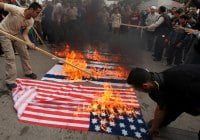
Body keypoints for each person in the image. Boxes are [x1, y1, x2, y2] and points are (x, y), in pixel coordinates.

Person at [127, 65, 200, 136]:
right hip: (180, 95)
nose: (137, 90)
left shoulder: (178, 84)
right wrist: (154, 127)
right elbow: (161, 107)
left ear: (145, 86)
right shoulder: (154, 82)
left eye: (137, 89)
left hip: (194, 91)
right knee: (158, 120)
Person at [0, 2, 42, 90]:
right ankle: (10, 81)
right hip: (4, 33)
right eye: (37, 12)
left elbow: (25, 34)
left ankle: (28, 72)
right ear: (31, 9)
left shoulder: (31, 21)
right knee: (10, 57)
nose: (38, 14)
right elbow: (1, 4)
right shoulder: (16, 10)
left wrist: (29, 43)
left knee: (25, 53)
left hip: (16, 34)